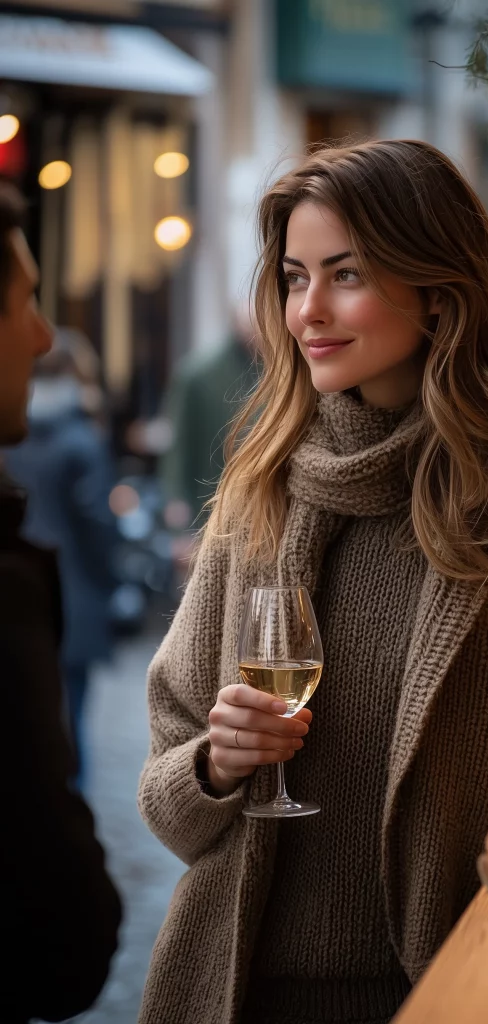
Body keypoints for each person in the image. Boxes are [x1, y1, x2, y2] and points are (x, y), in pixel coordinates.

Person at [137, 141, 488, 1024]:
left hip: (462, 988)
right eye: (294, 278)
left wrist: (484, 820)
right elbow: (166, 801)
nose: (308, 310)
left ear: (437, 288)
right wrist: (215, 764)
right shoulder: (259, 493)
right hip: (238, 993)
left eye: (347, 274)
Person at [0, 182, 122, 1022]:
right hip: (71, 609)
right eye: (25, 303)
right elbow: (64, 942)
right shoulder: (77, 441)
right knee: (63, 739)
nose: (43, 335)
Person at [3, 327, 118, 788]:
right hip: (75, 592)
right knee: (74, 718)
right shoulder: (80, 440)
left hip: (19, 593)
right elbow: (98, 525)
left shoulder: (13, 436)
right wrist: (110, 581)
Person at [160, 305, 261, 529]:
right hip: (210, 498)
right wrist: (176, 502)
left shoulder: (279, 367)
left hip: (261, 506)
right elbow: (179, 443)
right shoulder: (198, 374)